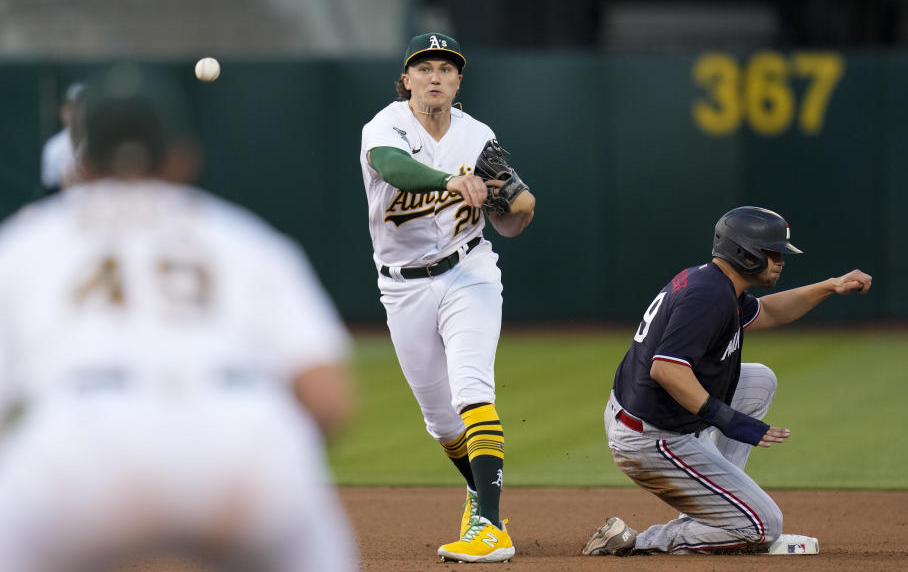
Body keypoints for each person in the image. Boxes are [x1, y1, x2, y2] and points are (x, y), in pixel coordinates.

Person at [0, 86, 357, 572]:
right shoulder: (245, 237)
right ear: (183, 160)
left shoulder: (27, 242)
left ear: (78, 167)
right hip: (243, 438)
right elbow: (330, 400)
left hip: (82, 444)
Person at [581, 206, 872, 556]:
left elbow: (770, 312)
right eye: (772, 253)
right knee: (762, 527)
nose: (780, 260)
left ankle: (717, 510)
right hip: (650, 438)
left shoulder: (714, 283)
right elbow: (666, 370)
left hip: (649, 416)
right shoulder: (709, 296)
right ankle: (636, 542)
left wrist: (829, 286)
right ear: (744, 253)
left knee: (760, 380)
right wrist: (731, 421)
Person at [359, 32, 535, 563]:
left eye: (446, 69)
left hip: (469, 271)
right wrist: (452, 182)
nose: (435, 77)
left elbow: (515, 208)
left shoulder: (478, 136)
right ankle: (481, 498)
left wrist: (517, 205)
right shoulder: (384, 125)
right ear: (406, 80)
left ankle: (489, 527)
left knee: (471, 388)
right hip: (402, 284)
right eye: (425, 68)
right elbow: (393, 167)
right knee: (440, 421)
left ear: (458, 82)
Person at [39, 81, 86, 193]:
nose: (77, 114)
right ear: (63, 111)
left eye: (82, 107)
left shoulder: (103, 142)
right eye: (73, 108)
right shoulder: (54, 146)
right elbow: (49, 189)